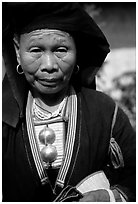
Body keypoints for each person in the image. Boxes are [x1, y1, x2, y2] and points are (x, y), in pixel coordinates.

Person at [2, 2, 135, 202]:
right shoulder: (3, 120)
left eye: (61, 50)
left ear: (77, 51)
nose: (49, 65)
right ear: (17, 51)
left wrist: (110, 196)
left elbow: (134, 179)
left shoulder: (107, 114)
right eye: (36, 50)